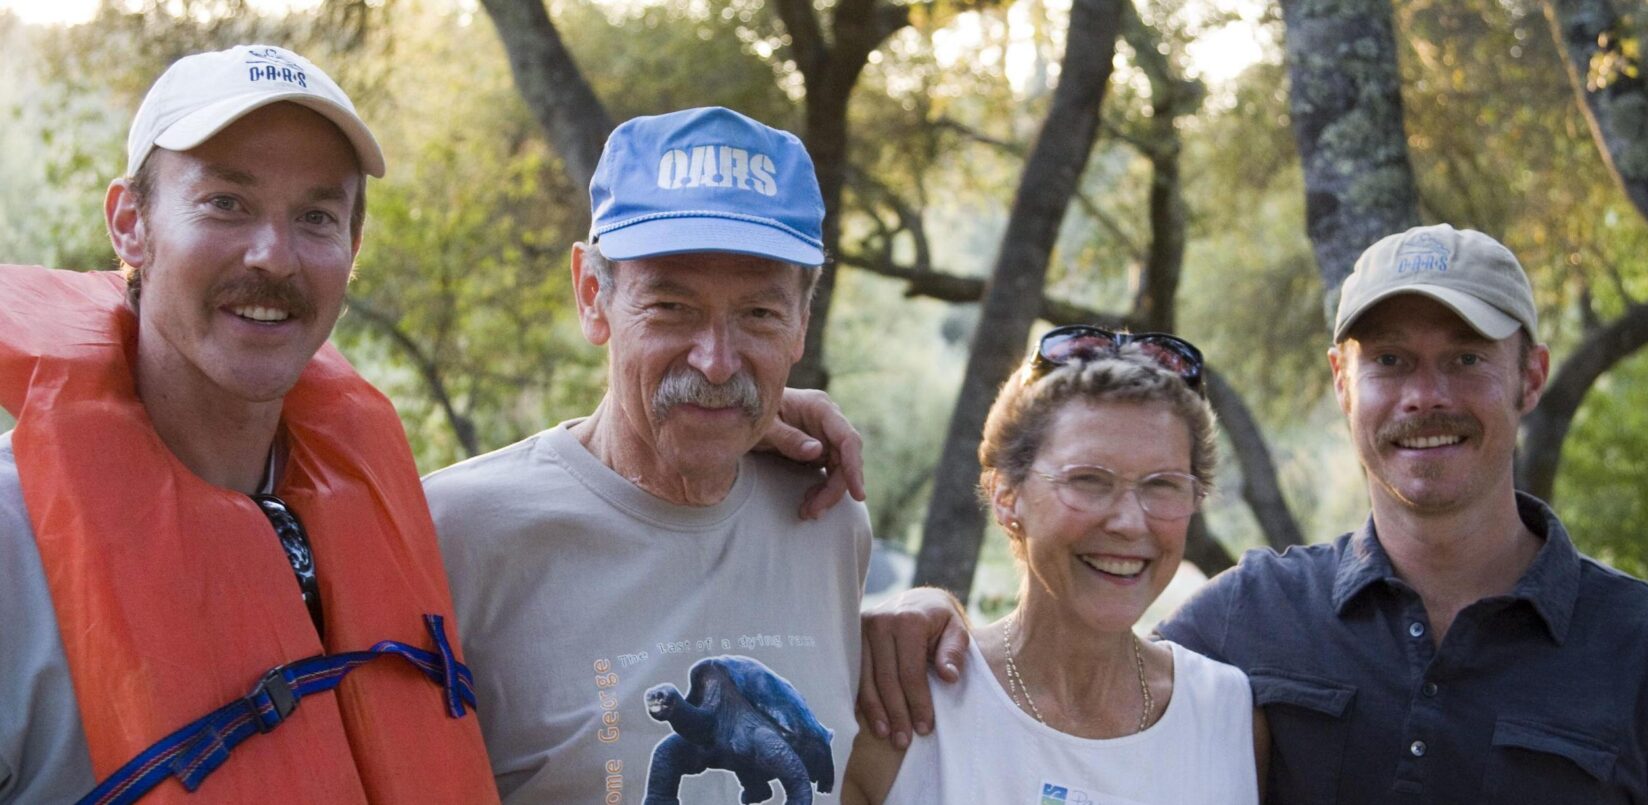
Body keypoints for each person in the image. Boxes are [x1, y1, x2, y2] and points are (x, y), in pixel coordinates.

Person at [860, 224, 1648, 804]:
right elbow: (1080, 662)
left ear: (1531, 377)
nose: (1425, 395)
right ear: (1340, 381)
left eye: (1464, 358)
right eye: (1390, 360)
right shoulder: (1244, 625)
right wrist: (914, 610)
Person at [0, 45, 500, 802]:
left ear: (352, 249)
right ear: (131, 224)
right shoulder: (11, 541)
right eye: (226, 203)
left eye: (316, 216)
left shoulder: (404, 526)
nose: (274, 256)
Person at [426, 106, 874, 805]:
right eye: (671, 307)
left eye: (758, 314)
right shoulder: (457, 532)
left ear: (800, 325)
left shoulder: (826, 519)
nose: (717, 361)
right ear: (591, 295)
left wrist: (918, 615)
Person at [843, 328, 1261, 804]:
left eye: (1163, 485)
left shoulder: (1229, 717)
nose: (1128, 522)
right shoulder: (902, 712)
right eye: (1087, 480)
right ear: (1006, 496)